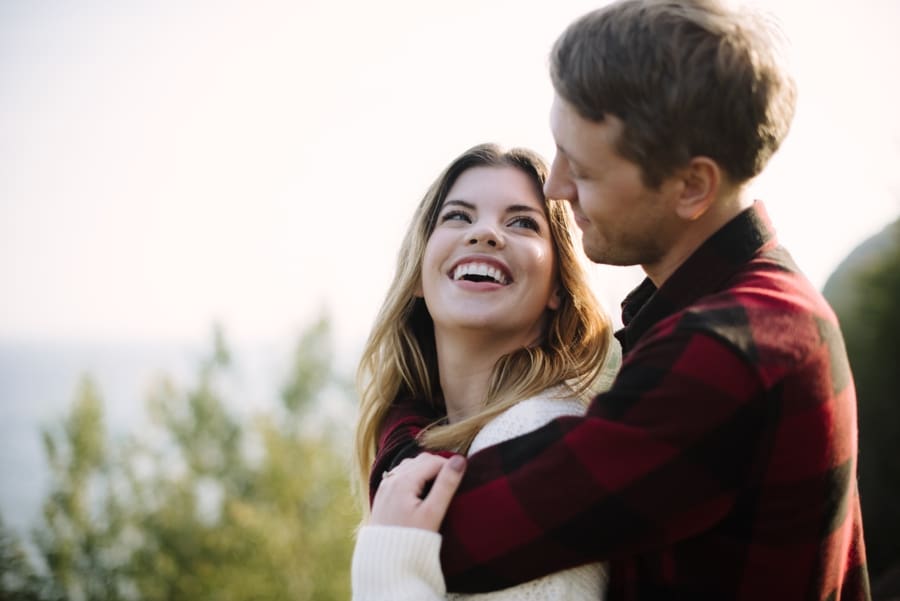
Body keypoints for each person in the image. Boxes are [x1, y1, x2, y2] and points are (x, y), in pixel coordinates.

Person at [365, 1, 871, 600]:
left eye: (582, 168)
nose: (556, 185)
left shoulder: (733, 351)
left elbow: (452, 531)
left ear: (692, 186)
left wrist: (397, 466)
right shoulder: (735, 311)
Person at [351, 143, 616, 599]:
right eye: (458, 216)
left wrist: (391, 575)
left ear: (558, 286)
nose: (486, 233)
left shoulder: (534, 434)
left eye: (521, 222)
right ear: (418, 273)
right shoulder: (431, 441)